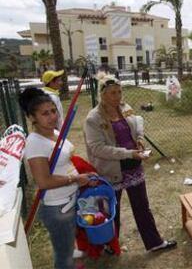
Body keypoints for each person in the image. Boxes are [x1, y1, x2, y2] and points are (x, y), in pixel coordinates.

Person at [83, 73, 176, 253]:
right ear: (102, 94)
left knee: (142, 208)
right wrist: (128, 153)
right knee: (111, 212)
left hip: (133, 167)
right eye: (112, 93)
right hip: (111, 171)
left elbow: (136, 127)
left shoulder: (125, 108)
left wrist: (139, 140)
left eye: (119, 92)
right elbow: (97, 148)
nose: (117, 96)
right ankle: (111, 246)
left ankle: (154, 242)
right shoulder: (93, 118)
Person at [20, 87, 96, 269]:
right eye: (45, 113)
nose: (52, 117)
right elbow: (44, 181)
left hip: (69, 199)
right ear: (32, 118)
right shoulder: (35, 143)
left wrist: (82, 176)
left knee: (67, 245)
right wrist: (76, 179)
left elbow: (65, 162)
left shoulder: (54, 133)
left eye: (53, 111)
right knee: (63, 258)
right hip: (57, 208)